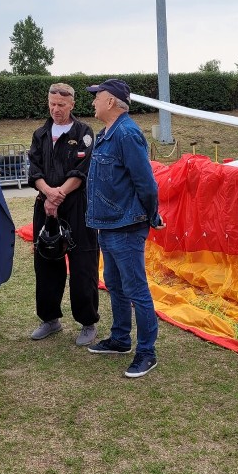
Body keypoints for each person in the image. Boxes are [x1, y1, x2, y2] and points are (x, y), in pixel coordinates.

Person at [85, 79, 164, 379]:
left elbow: (146, 183)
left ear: (111, 102)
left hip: (127, 226)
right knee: (115, 284)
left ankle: (147, 352)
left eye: (97, 97)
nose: (92, 102)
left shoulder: (128, 134)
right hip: (108, 225)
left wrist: (150, 216)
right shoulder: (108, 133)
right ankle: (120, 339)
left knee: (135, 288)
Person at [27, 83, 100, 346]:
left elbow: (82, 169)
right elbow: (34, 170)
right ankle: (49, 319)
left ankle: (88, 321)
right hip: (45, 206)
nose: (55, 109)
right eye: (52, 104)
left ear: (72, 105)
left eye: (61, 105)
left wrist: (59, 195)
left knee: (83, 265)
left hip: (76, 205)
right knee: (46, 262)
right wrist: (48, 194)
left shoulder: (84, 133)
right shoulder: (40, 134)